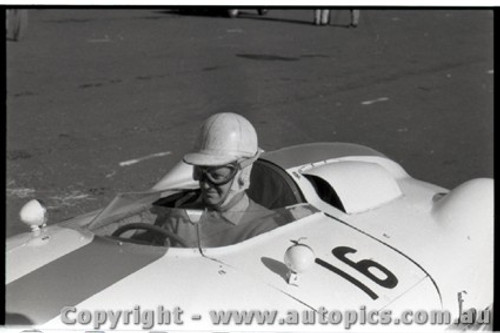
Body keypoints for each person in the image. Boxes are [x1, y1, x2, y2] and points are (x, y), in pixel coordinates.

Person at [162, 112, 279, 248]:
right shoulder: (181, 219)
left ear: (243, 175)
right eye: (200, 172)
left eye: (216, 176)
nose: (205, 184)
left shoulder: (265, 230)